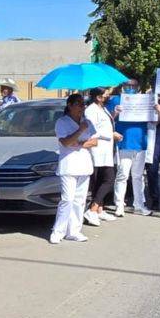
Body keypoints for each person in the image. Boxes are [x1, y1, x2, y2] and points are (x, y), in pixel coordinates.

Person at [51, 93, 98, 244]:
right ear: (70, 105)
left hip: (84, 165)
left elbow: (94, 142)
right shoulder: (62, 122)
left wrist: (78, 144)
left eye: (83, 104)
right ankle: (58, 231)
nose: (82, 107)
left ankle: (74, 231)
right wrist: (80, 132)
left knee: (80, 200)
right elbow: (65, 142)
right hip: (68, 166)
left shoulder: (88, 121)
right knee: (67, 199)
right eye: (78, 104)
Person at [106, 78, 152, 217]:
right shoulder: (115, 101)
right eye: (127, 85)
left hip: (141, 143)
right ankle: (119, 205)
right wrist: (115, 113)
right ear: (122, 86)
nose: (130, 88)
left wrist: (157, 110)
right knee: (122, 175)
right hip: (124, 143)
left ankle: (139, 205)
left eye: (133, 85)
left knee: (138, 177)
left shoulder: (145, 101)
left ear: (138, 88)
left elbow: (154, 120)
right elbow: (106, 121)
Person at [83, 87, 119, 226]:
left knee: (102, 180)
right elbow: (93, 130)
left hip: (106, 150)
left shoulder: (101, 108)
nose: (108, 95)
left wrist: (114, 115)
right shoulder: (91, 110)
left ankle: (99, 209)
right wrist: (111, 135)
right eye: (105, 94)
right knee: (108, 180)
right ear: (98, 97)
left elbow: (105, 125)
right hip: (97, 150)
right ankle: (92, 210)